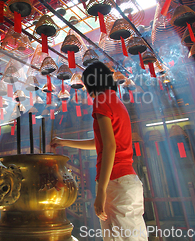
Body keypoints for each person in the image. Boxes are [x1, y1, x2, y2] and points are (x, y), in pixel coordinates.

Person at [51, 62, 147, 241]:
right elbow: (100, 143)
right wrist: (64, 141)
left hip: (115, 181)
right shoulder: (115, 101)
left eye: (87, 84)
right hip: (127, 182)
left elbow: (110, 146)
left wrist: (101, 191)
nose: (87, 90)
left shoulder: (101, 101)